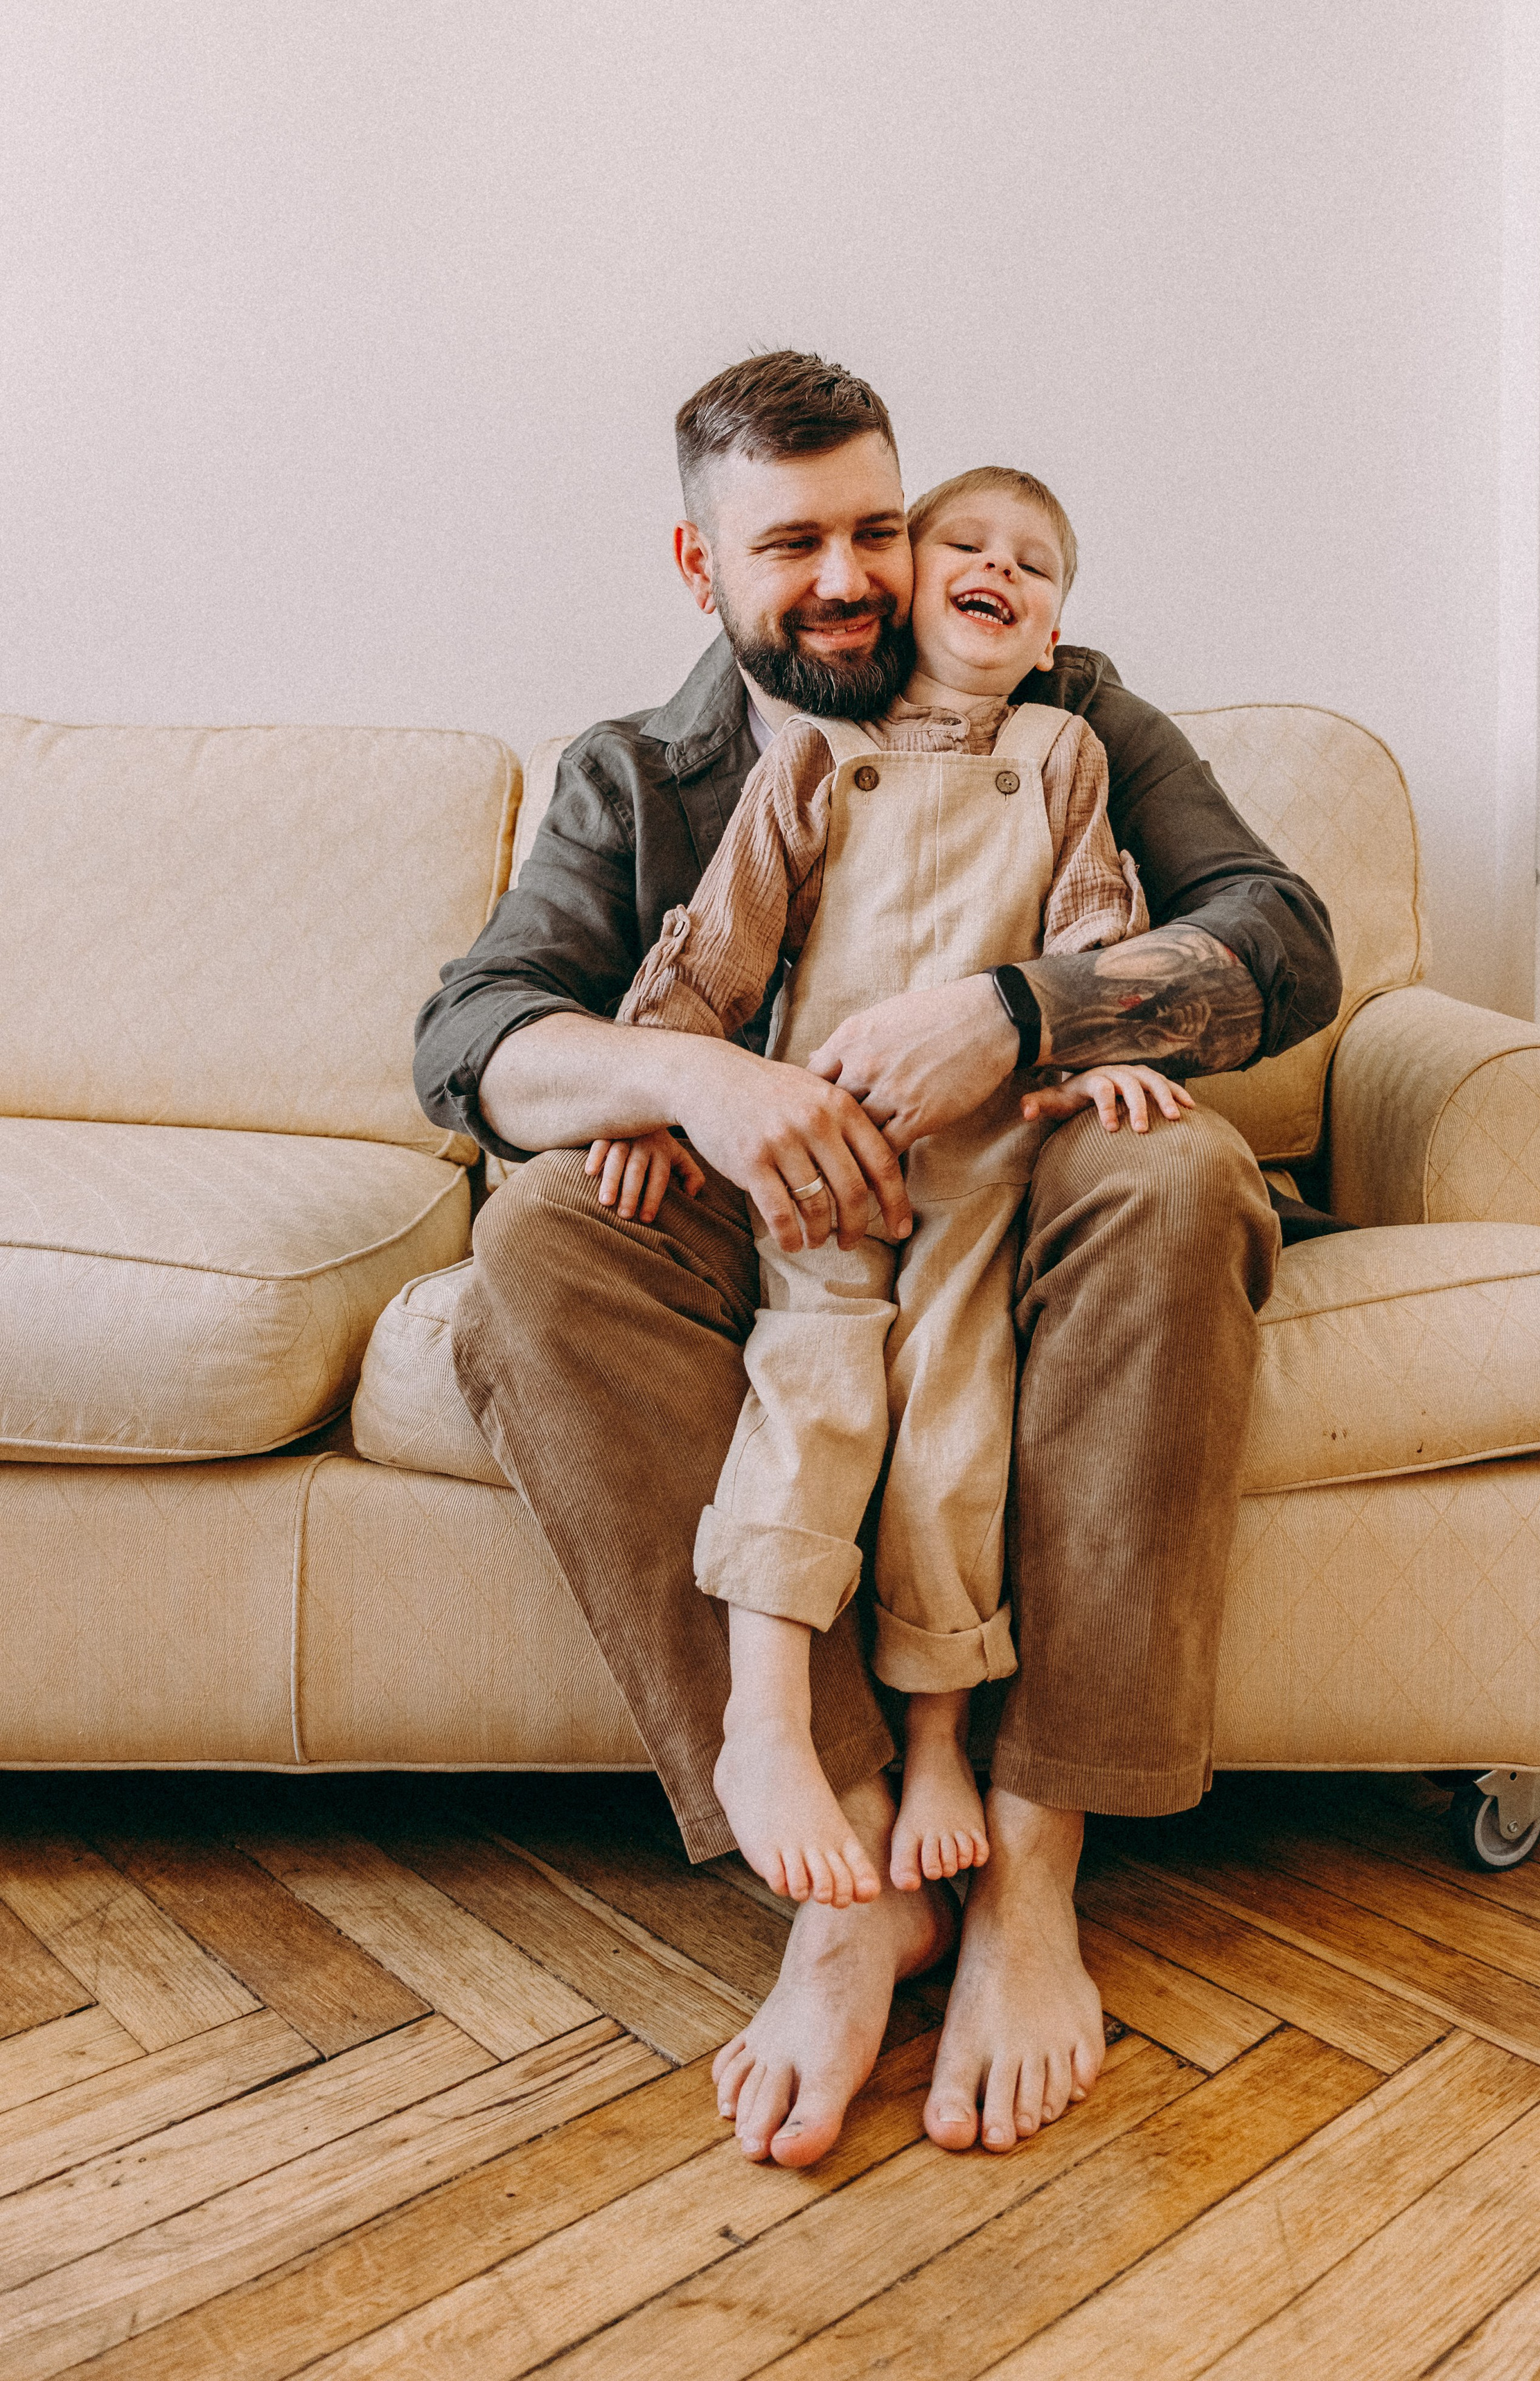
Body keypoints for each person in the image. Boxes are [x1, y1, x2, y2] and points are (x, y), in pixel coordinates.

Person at [414, 349, 1341, 2168]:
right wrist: (704, 1082)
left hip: (1031, 1181)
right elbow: (474, 1038)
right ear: (702, 572)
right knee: (536, 1247)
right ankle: (848, 1890)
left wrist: (1024, 1016)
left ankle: (1025, 1874)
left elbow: (1280, 945)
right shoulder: (650, 772)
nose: (847, 578)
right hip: (762, 1229)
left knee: (1184, 1186)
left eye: (876, 528)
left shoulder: (1071, 719)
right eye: (790, 546)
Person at [601, 464, 1191, 1911]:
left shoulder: (1061, 754)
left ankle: (937, 1742)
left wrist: (1101, 1048)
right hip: (818, 1155)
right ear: (905, 590)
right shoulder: (810, 754)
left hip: (985, 1164)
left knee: (951, 1413)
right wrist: (655, 1077)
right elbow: (718, 940)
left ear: (1049, 629)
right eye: (966, 547)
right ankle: (765, 1719)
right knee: (811, 1390)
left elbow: (1092, 923)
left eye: (1034, 563)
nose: (999, 567)